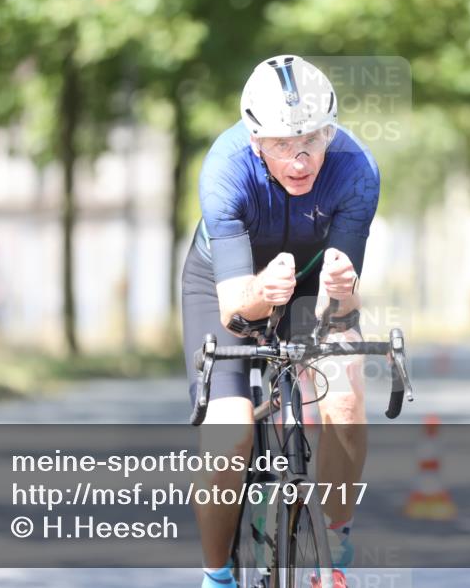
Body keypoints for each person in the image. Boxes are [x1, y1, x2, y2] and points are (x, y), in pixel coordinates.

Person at [181, 55, 380, 588]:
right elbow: (234, 311)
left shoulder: (356, 169)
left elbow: (339, 311)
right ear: (255, 141)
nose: (300, 159)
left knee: (345, 394)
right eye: (282, 144)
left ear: (330, 130)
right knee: (230, 432)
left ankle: (333, 543)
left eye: (313, 139)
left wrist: (342, 291)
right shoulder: (225, 170)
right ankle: (217, 576)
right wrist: (262, 291)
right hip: (230, 284)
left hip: (310, 282)